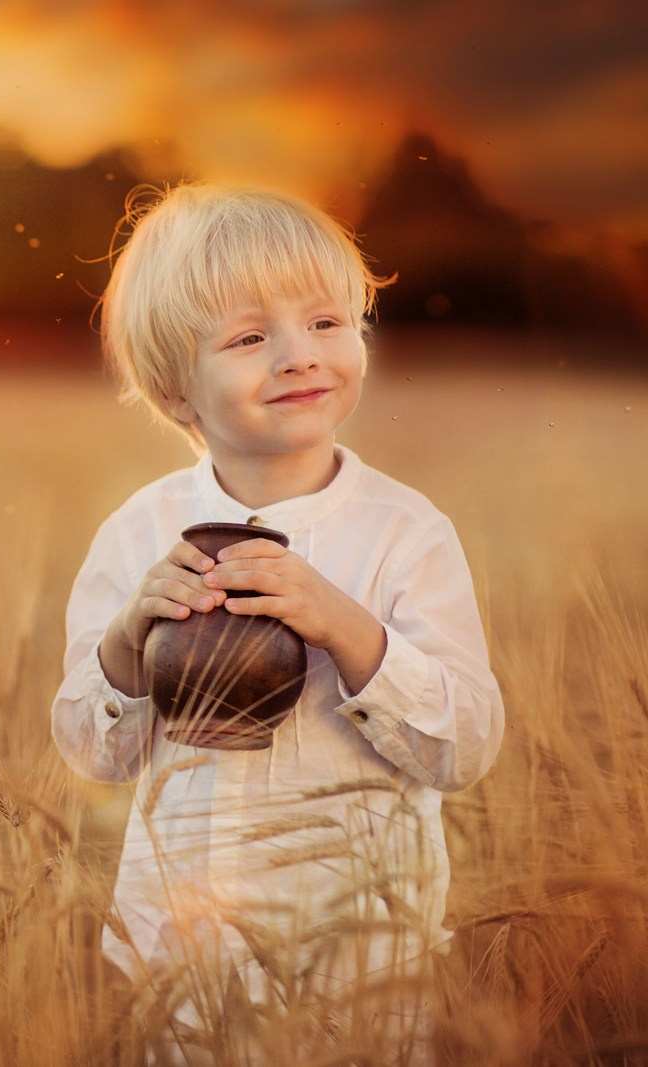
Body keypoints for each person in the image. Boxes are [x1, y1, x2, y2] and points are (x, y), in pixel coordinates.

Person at [50, 183, 504, 1064]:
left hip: (362, 960)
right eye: (251, 337)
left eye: (328, 321)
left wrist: (345, 625)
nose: (300, 355)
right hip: (183, 962)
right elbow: (87, 752)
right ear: (177, 392)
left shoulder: (405, 534)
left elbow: (467, 746)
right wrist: (126, 643)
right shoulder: (138, 536)